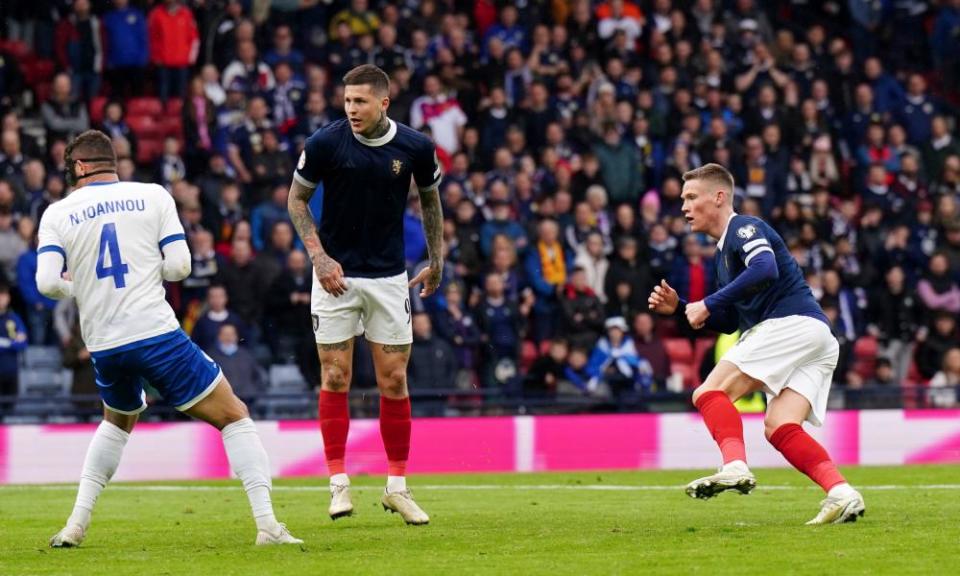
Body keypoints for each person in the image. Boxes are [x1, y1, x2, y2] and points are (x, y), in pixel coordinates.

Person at [36, 130, 301, 547]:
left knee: (117, 421)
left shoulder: (57, 213)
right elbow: (179, 267)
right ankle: (267, 525)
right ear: (113, 163)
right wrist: (142, 272)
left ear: (80, 167)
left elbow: (48, 283)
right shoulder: (153, 195)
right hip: (154, 333)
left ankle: (75, 525)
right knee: (235, 416)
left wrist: (81, 287)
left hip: (105, 344)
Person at [647, 163, 865, 525]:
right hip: (816, 336)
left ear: (718, 197)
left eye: (690, 197)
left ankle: (733, 465)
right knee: (780, 426)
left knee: (708, 393)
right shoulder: (723, 257)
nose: (683, 207)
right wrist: (682, 308)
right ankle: (842, 492)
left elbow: (766, 268)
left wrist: (709, 302)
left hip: (789, 324)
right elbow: (733, 320)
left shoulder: (744, 228)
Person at [287, 65, 442, 525]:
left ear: (383, 104)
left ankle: (397, 487)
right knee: (335, 374)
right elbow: (296, 200)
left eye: (360, 102)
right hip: (336, 276)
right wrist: (319, 257)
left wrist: (437, 258)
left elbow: (431, 201)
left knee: (393, 379)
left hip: (390, 278)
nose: (351, 109)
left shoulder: (415, 147)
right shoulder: (324, 144)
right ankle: (337, 484)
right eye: (347, 101)